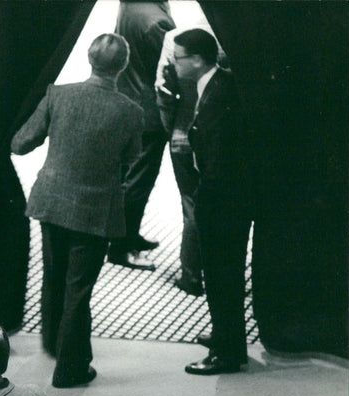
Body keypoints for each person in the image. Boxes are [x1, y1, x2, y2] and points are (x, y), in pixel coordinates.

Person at [11, 33, 143, 387]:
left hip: (51, 202)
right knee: (79, 289)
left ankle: (55, 343)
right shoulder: (131, 112)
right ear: (123, 67)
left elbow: (22, 142)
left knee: (53, 275)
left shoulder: (59, 95)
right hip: (95, 212)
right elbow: (132, 160)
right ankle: (70, 368)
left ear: (89, 58)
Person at [171, 28, 252, 375]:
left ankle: (227, 353)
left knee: (222, 277)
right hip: (226, 198)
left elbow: (220, 159)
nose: (174, 64)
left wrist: (204, 194)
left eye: (178, 58)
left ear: (197, 60)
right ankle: (225, 335)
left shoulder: (218, 95)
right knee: (222, 275)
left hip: (222, 202)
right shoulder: (218, 84)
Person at [156, 22, 226, 297]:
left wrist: (173, 129)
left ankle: (191, 274)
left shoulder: (176, 39)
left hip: (182, 136)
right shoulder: (226, 39)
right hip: (214, 140)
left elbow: (163, 95)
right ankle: (215, 272)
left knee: (191, 205)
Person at [107, 0, 176, 271]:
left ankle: (127, 235)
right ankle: (122, 247)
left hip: (127, 95)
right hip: (148, 112)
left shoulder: (130, 5)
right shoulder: (157, 22)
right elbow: (170, 66)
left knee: (128, 177)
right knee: (138, 182)